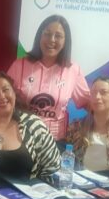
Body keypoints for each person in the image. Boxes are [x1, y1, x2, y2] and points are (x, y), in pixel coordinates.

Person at [7, 14, 90, 143]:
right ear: (39, 36)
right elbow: (4, 97)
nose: (51, 40)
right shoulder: (19, 65)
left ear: (65, 41)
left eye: (58, 36)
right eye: (47, 34)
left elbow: (88, 103)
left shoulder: (73, 69)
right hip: (21, 138)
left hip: (56, 141)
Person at [67, 76, 109, 171]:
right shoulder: (76, 127)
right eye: (93, 93)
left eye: (103, 92)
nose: (97, 97)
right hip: (78, 178)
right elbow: (65, 160)